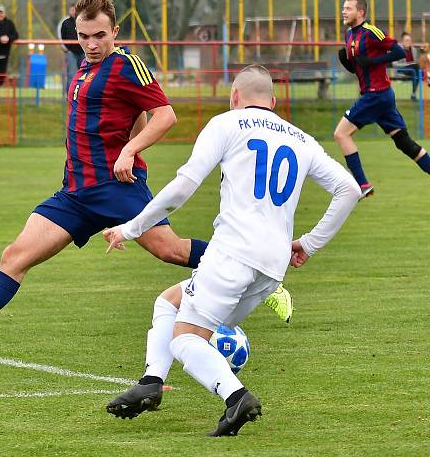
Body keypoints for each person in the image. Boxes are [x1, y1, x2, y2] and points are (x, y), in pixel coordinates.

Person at [0, 0, 290, 359]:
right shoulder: (85, 66)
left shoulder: (126, 65)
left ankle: (259, 274)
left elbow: (164, 115)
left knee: (170, 250)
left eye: (99, 36)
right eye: (83, 36)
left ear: (115, 33)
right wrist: (129, 139)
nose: (91, 44)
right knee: (15, 255)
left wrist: (130, 150)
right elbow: (134, 114)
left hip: (116, 189)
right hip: (74, 194)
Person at [103, 65, 361, 436]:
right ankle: (151, 382)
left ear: (234, 97)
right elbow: (349, 189)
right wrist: (308, 243)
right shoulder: (302, 140)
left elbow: (183, 186)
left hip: (233, 253)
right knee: (169, 303)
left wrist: (131, 228)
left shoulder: (227, 123)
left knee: (187, 340)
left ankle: (236, 397)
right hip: (272, 268)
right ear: (272, 102)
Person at [335, 0, 430, 211]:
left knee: (341, 134)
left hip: (376, 94)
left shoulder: (371, 32)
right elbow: (360, 68)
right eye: (343, 8)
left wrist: (374, 61)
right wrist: (348, 64)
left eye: (348, 8)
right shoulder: (349, 34)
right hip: (377, 96)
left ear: (360, 12)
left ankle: (363, 184)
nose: (343, 12)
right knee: (404, 143)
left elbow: (398, 51)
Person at [58, 5, 85, 94]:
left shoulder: (83, 21)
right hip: (71, 52)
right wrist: (66, 49)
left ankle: (82, 93)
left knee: (84, 74)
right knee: (71, 74)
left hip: (83, 52)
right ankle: (69, 94)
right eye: (72, 10)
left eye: (75, 10)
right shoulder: (66, 23)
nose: (73, 11)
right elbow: (62, 37)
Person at [392, 32, 420, 100]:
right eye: (406, 40)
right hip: (401, 70)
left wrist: (412, 64)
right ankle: (413, 94)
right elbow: (394, 64)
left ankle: (413, 94)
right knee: (415, 69)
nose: (408, 42)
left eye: (409, 40)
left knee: (417, 71)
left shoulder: (414, 50)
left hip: (412, 70)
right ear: (403, 41)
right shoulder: (398, 49)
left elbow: (416, 62)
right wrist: (407, 64)